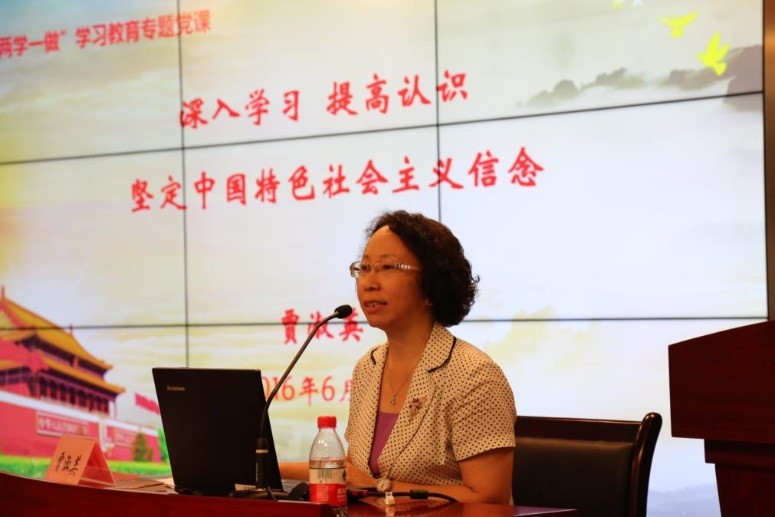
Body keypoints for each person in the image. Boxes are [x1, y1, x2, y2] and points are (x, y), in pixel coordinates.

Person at [343, 210, 516, 504]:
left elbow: (488, 498)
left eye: (387, 267)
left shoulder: (474, 375)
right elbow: (353, 474)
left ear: (431, 287)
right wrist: (268, 469)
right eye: (365, 267)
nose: (369, 282)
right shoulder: (368, 367)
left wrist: (378, 488)